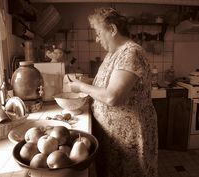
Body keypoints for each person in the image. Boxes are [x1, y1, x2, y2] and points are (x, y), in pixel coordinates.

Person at [68, 7, 158, 177]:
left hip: (129, 135)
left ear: (112, 29)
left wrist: (81, 86)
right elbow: (104, 83)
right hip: (113, 134)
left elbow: (112, 97)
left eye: (98, 32)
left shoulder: (131, 52)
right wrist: (85, 81)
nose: (97, 39)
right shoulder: (113, 54)